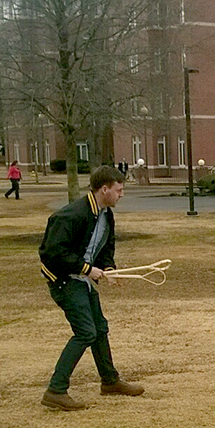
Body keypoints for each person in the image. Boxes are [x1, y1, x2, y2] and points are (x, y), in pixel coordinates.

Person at [38, 166, 144, 411]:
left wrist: (109, 269)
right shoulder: (71, 215)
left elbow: (105, 246)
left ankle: (110, 381)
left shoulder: (106, 214)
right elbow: (52, 253)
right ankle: (56, 390)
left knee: (99, 328)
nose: (122, 195)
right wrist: (87, 269)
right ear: (104, 189)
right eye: (119, 190)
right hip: (64, 281)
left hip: (81, 279)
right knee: (86, 332)